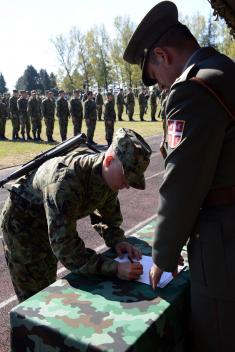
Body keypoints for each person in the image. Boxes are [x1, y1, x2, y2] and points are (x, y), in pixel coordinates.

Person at [123, 1, 235, 351]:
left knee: (217, 335)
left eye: (154, 75)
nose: (159, 86)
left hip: (224, 244)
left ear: (162, 55)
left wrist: (163, 255)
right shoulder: (224, 68)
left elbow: (182, 183)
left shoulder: (192, 89)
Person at [0, 128, 152, 303]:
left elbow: (108, 217)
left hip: (51, 222)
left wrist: (118, 241)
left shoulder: (110, 178)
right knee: (34, 299)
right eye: (126, 178)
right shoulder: (65, 182)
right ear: (109, 160)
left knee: (48, 285)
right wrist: (114, 268)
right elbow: (66, 249)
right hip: (23, 228)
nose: (127, 185)